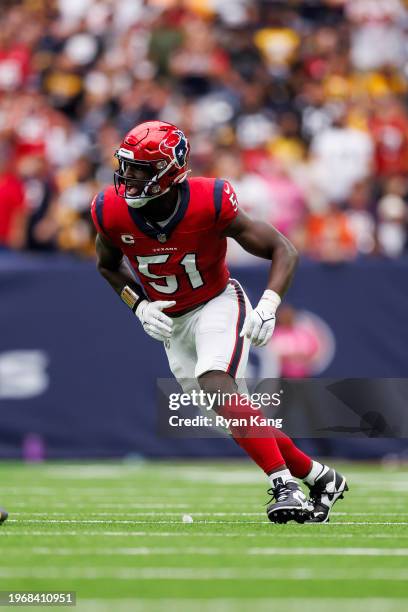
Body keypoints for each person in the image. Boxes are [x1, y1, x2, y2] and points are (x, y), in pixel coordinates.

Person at [91, 120, 348, 524]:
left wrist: (268, 304)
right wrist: (138, 305)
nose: (128, 177)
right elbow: (108, 266)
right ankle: (321, 477)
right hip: (172, 325)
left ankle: (285, 487)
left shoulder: (209, 199)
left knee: (217, 383)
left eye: (140, 169)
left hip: (217, 303)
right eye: (126, 166)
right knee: (232, 414)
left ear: (169, 171)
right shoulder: (109, 209)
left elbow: (283, 249)